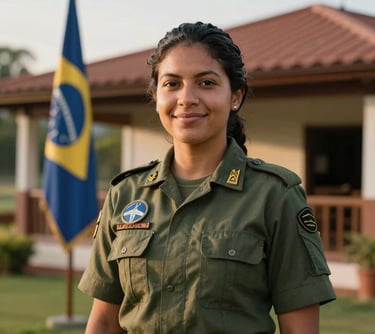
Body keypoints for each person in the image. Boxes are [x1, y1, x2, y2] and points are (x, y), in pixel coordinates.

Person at [78, 22, 336, 334]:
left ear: (235, 96)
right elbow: (104, 323)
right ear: (156, 96)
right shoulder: (126, 194)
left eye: (206, 83)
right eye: (172, 84)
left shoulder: (274, 195)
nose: (186, 98)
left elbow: (300, 329)